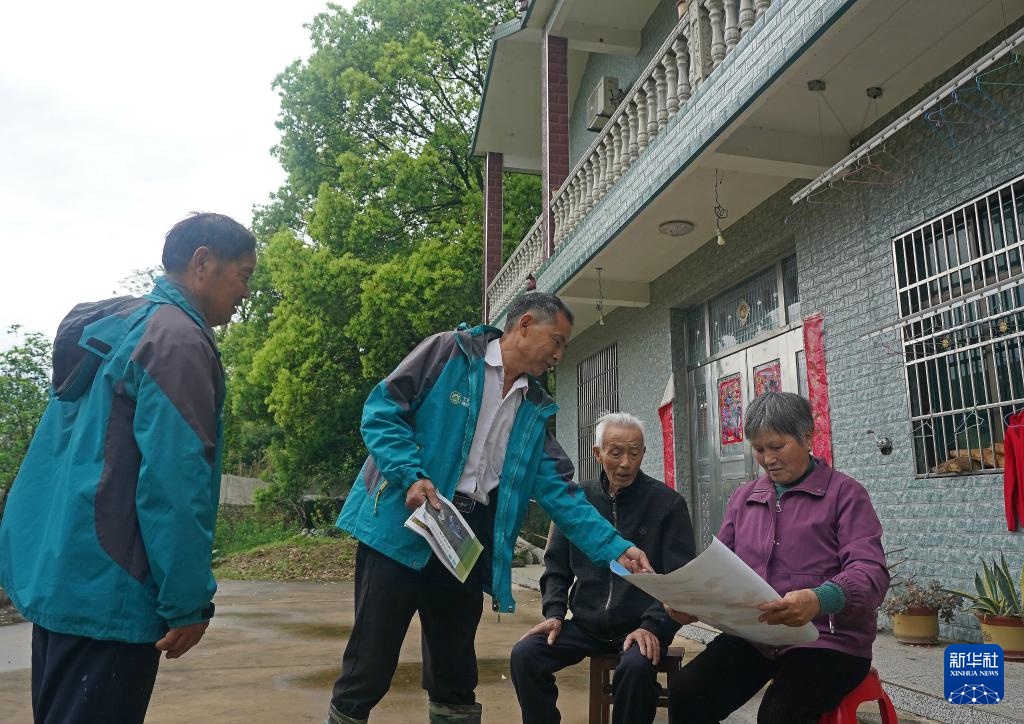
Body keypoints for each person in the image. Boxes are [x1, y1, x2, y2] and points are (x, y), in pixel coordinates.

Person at [328, 292, 654, 724]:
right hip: (401, 525)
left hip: (463, 537)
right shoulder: (449, 353)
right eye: (556, 341)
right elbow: (381, 411)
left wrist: (616, 547)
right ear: (525, 324)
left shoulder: (533, 409)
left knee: (455, 670)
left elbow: (563, 495)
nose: (559, 355)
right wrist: (410, 474)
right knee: (369, 663)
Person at [0, 213, 257, 724]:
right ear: (202, 262)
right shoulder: (177, 341)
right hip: (109, 592)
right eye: (243, 275)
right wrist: (186, 602)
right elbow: (175, 484)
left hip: (64, 573)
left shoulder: (121, 328)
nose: (245, 293)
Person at [665, 392, 889, 724]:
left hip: (829, 641)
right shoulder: (745, 498)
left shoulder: (845, 495)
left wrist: (819, 599)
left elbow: (870, 572)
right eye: (758, 449)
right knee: (687, 692)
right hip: (757, 637)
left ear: (807, 437)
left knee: (780, 714)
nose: (768, 459)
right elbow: (719, 568)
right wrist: (691, 602)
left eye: (777, 446)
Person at [511, 411, 696, 724]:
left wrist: (653, 626)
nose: (625, 463)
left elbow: (679, 580)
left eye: (634, 453)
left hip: (640, 625)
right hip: (586, 625)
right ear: (597, 453)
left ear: (643, 453)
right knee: (525, 655)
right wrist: (554, 613)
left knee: (635, 669)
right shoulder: (577, 503)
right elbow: (556, 568)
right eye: (616, 452)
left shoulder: (667, 505)